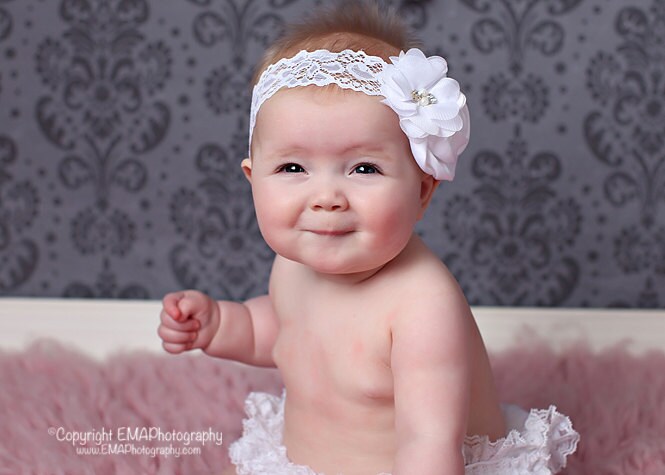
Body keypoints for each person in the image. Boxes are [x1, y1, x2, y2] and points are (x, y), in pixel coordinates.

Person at [157, 2, 579, 474]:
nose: (327, 197)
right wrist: (218, 325)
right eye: (293, 167)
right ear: (253, 178)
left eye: (364, 168)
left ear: (421, 191)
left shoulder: (422, 306)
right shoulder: (292, 266)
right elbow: (282, 331)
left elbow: (428, 441)